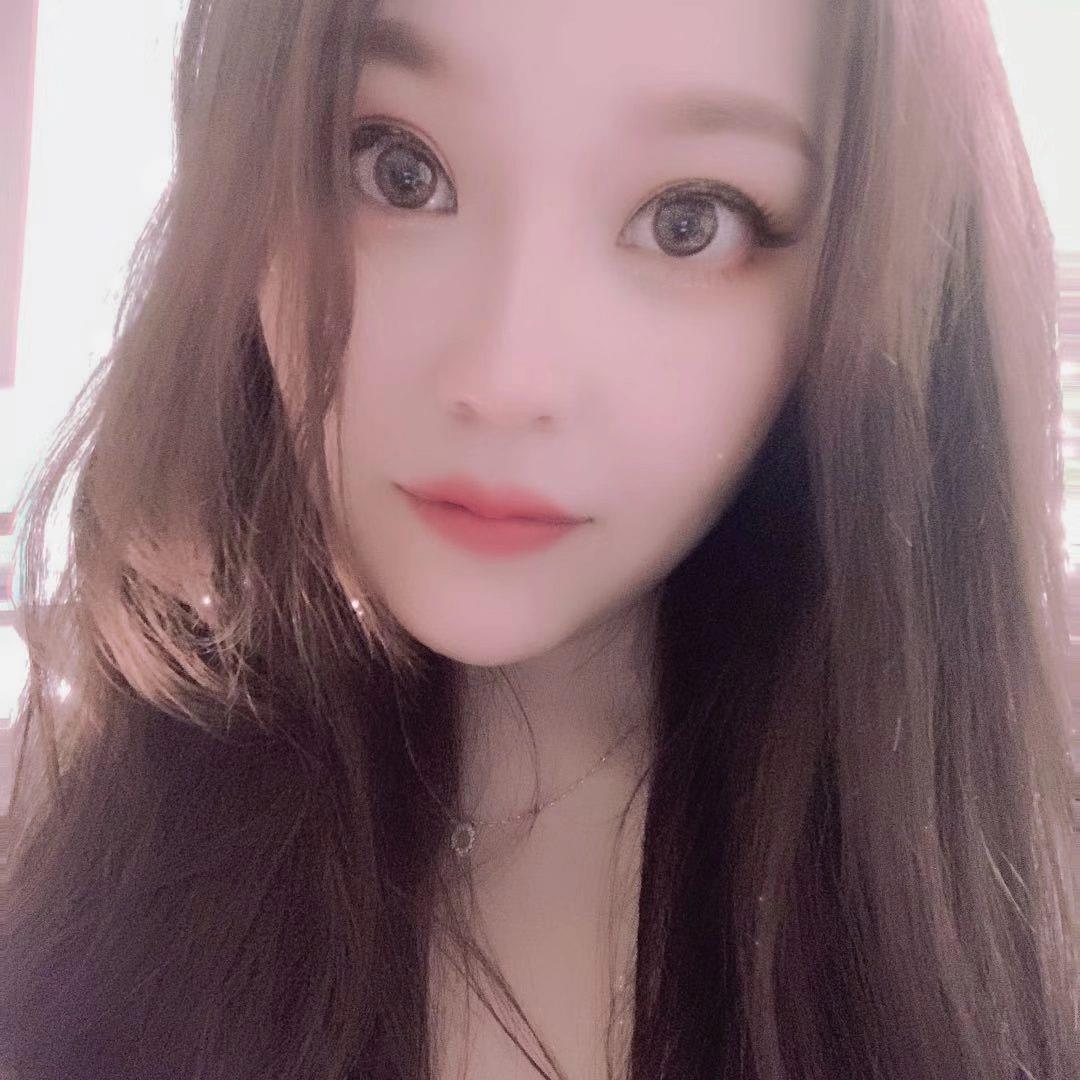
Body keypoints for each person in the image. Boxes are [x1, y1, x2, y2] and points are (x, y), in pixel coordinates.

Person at [1, 0, 1077, 1077]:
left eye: (689, 220)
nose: (507, 377)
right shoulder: (52, 828)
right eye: (396, 169)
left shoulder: (1024, 888)